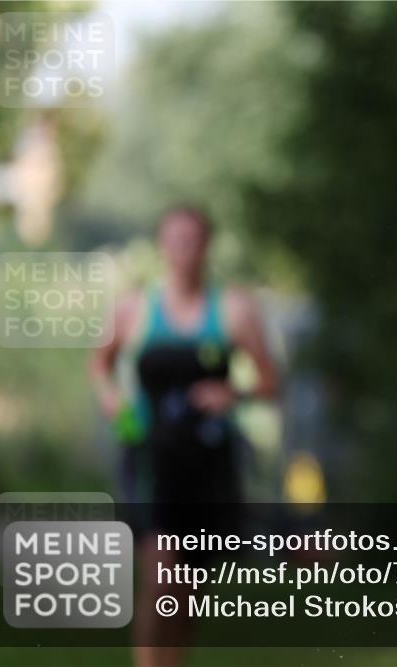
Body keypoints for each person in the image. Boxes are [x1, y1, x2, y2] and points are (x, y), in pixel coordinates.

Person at [90, 205, 278, 667]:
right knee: (160, 579)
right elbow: (100, 364)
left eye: (192, 240)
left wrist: (232, 390)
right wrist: (112, 399)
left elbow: (272, 381)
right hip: (152, 460)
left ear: (207, 245)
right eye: (174, 240)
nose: (183, 250)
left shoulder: (233, 308)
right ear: (161, 245)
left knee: (188, 591)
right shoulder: (134, 308)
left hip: (209, 465)